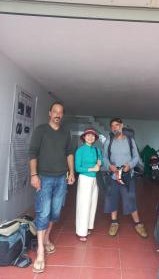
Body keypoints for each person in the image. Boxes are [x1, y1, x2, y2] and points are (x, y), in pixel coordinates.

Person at [29, 102, 75, 273]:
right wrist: (34, 175)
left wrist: (71, 172)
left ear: (62, 115)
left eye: (60, 112)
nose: (58, 114)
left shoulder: (65, 133)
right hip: (44, 178)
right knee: (43, 212)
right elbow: (32, 153)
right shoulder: (41, 130)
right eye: (55, 111)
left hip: (61, 179)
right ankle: (40, 251)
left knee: (55, 212)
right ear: (50, 113)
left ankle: (47, 238)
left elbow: (69, 153)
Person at [103, 117, 148, 238]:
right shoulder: (109, 141)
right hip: (113, 175)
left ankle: (138, 224)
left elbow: (136, 157)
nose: (114, 128)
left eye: (116, 125)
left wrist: (130, 166)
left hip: (128, 175)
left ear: (121, 126)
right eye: (112, 126)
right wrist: (109, 166)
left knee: (130, 198)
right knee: (113, 198)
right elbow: (104, 158)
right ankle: (114, 222)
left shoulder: (129, 140)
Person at [75, 128, 103, 241]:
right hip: (84, 179)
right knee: (83, 205)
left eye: (92, 136)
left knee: (92, 203)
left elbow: (100, 159)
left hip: (94, 180)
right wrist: (92, 169)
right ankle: (81, 231)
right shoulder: (80, 150)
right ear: (84, 137)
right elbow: (77, 168)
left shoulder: (96, 150)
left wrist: (100, 163)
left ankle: (88, 226)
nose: (90, 137)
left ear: (95, 138)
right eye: (88, 135)